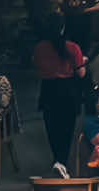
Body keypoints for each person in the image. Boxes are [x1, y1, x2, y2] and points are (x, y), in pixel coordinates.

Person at [32, 19, 87, 176]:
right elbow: (81, 73)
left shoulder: (39, 48)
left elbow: (37, 67)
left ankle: (57, 159)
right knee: (67, 129)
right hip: (67, 90)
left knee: (52, 129)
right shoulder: (72, 48)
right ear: (63, 29)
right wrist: (84, 62)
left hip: (48, 90)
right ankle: (61, 162)